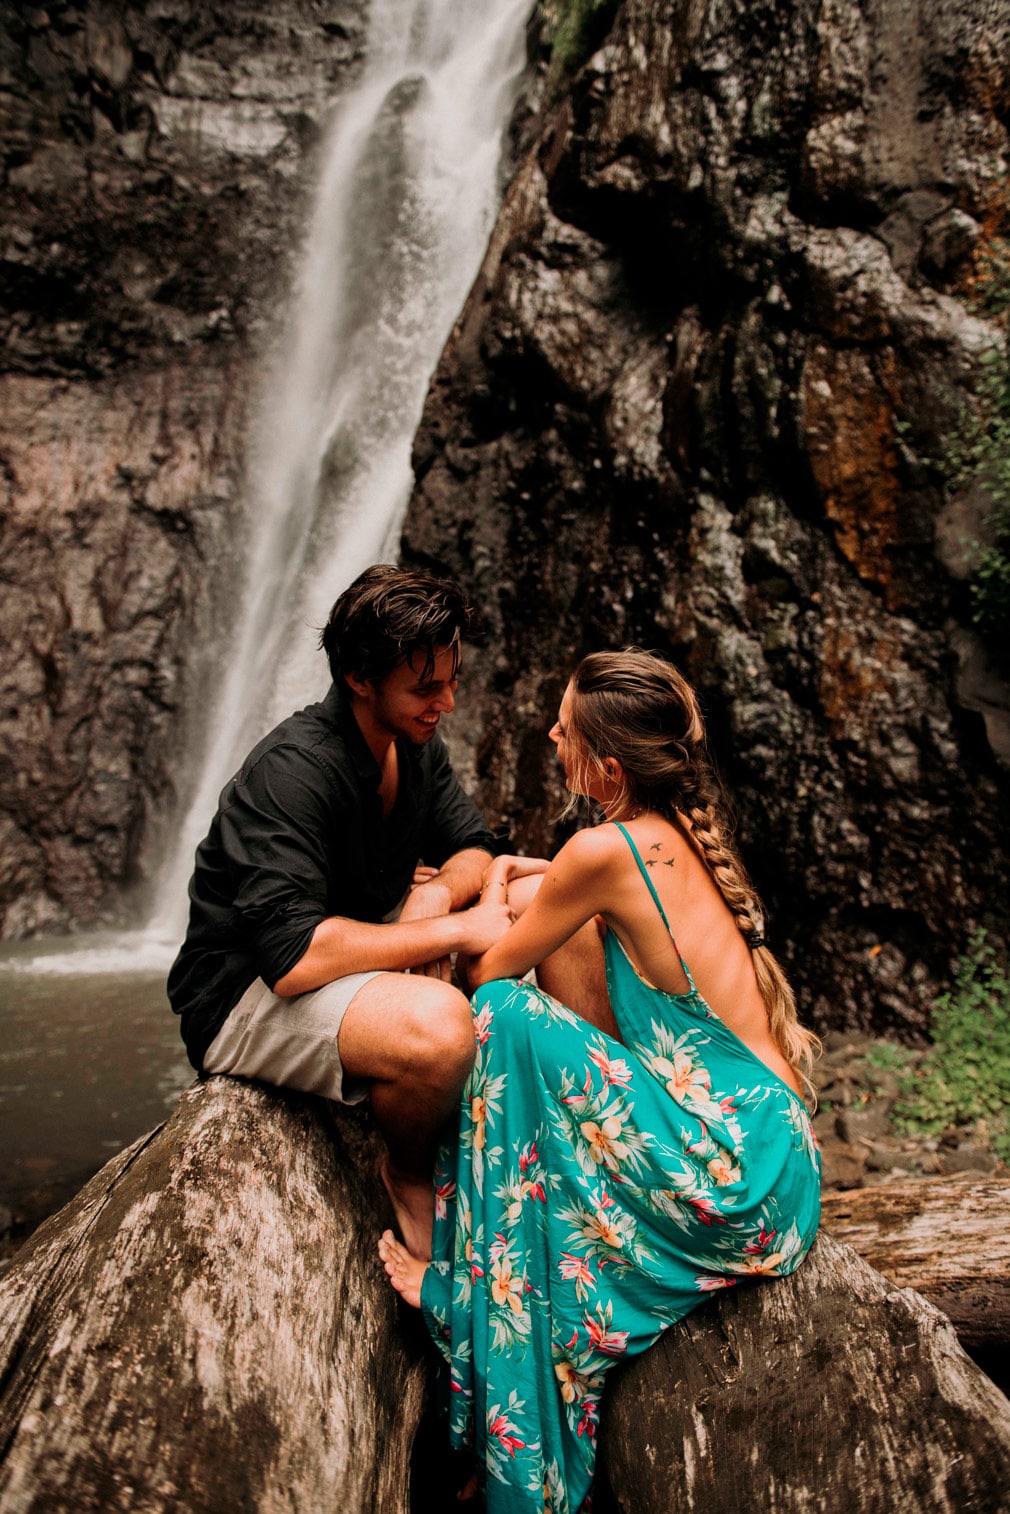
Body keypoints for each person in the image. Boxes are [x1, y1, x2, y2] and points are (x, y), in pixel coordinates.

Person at [378, 648, 822, 1513]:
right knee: (539, 978)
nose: (549, 731)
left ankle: (471, 1293)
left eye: (565, 726)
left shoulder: (601, 852)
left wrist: (498, 877)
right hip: (774, 1162)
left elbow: (492, 975)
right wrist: (525, 878)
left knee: (503, 1017)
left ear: (606, 766)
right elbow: (569, 904)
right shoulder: (672, 835)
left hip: (730, 1173)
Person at [168, 564, 515, 1257]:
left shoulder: (413, 744)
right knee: (443, 1030)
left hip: (349, 946)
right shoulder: (293, 772)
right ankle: (408, 1173)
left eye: (450, 680)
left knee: (536, 898)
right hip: (245, 994)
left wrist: (436, 893)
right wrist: (444, 930)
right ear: (360, 678)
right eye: (426, 687)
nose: (445, 702)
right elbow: (294, 958)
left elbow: (474, 844)